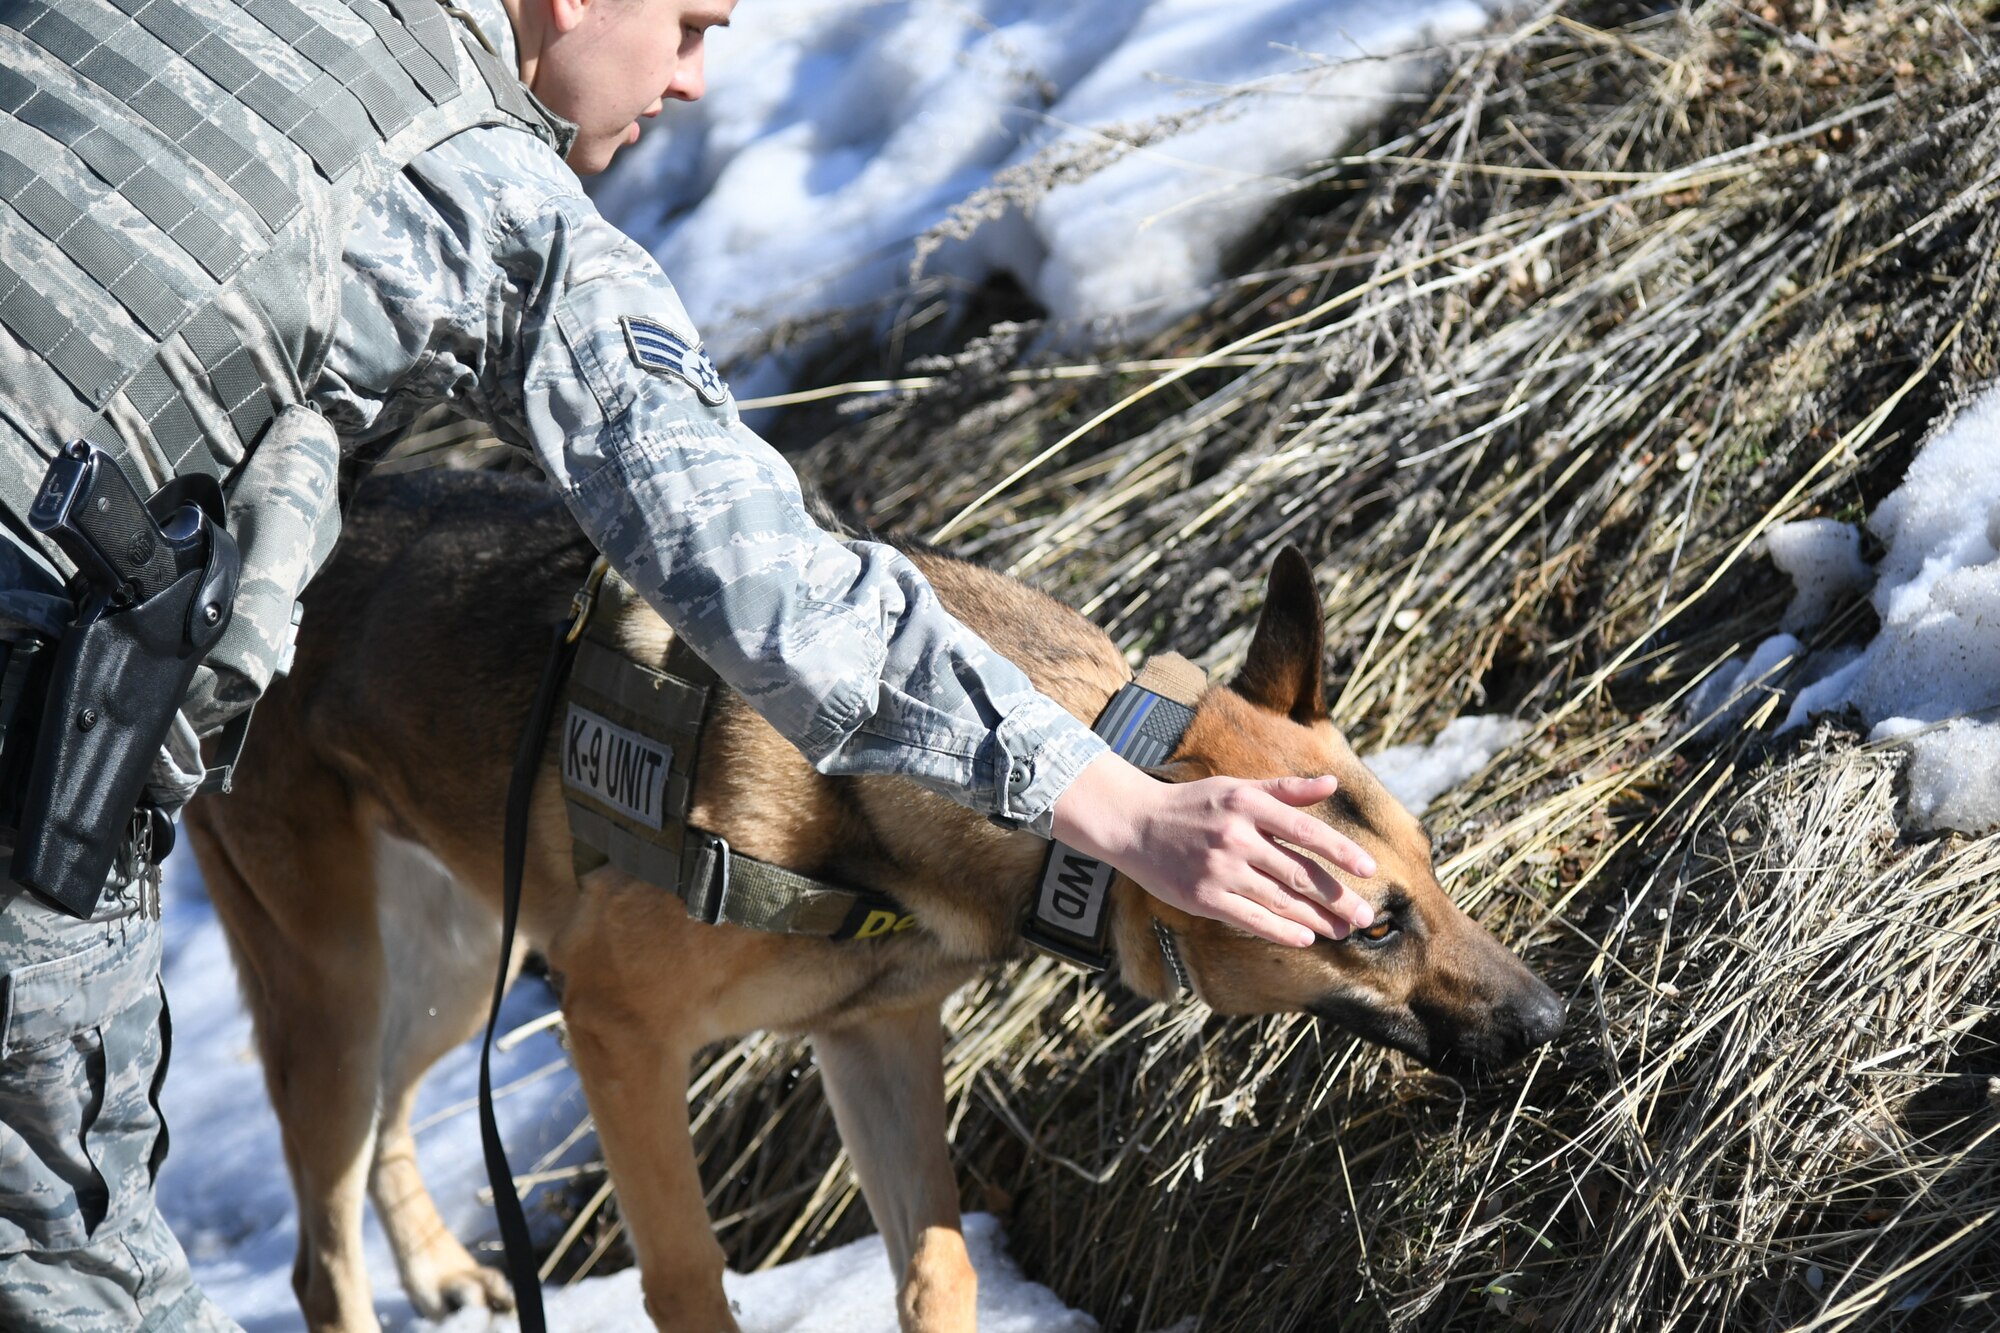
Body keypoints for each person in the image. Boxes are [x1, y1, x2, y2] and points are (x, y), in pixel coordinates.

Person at [0, 0, 1379, 1326]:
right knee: (70, 1265)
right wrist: (1115, 803)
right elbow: (756, 574)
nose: (695, 82)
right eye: (696, 26)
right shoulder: (487, 198)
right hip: (31, 739)